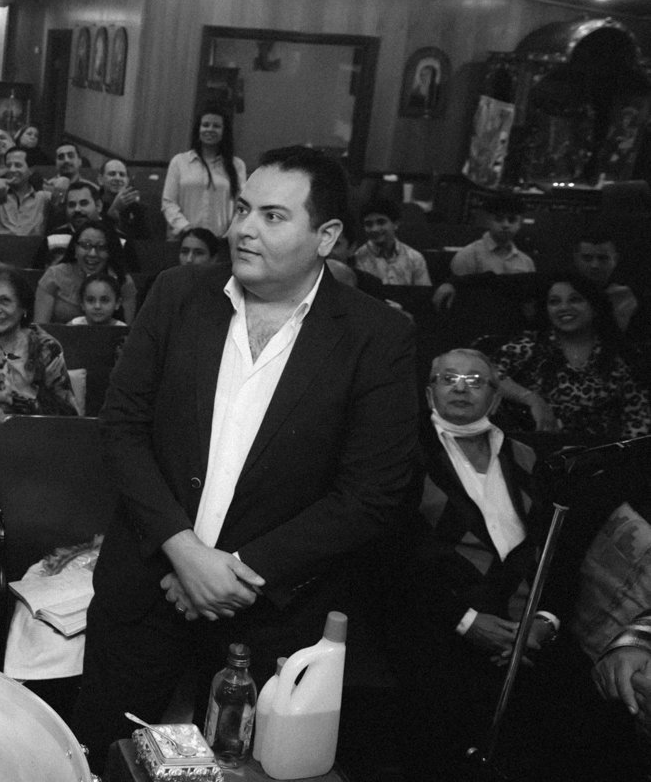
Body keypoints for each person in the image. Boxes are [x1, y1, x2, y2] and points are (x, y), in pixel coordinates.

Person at [70, 145, 418, 772]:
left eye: (274, 216)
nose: (244, 229)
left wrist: (236, 572)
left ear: (327, 237)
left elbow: (371, 495)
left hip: (267, 621)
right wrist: (184, 551)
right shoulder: (177, 295)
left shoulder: (377, 338)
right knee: (104, 759)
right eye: (243, 209)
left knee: (241, 768)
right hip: (144, 591)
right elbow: (122, 428)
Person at [394, 347, 625, 780]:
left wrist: (545, 621)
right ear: (429, 395)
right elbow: (396, 557)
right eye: (449, 378)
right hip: (441, 625)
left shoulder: (531, 459)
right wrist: (465, 621)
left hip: (529, 633)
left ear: (496, 401)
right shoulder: (406, 456)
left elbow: (561, 550)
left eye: (476, 381)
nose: (461, 388)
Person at [488, 274, 651, 441]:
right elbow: (486, 373)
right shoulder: (532, 344)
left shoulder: (619, 354)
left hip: (598, 455)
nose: (564, 307)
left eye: (575, 300)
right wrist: (531, 398)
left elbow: (638, 418)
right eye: (554, 302)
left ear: (594, 307)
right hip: (538, 451)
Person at [0, 267, 76, 428]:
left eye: (5, 301)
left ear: (23, 308)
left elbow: (68, 414)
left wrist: (26, 398)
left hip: (32, 439)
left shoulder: (45, 347)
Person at [161, 108, 245, 239]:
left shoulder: (237, 165)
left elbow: (241, 206)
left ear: (224, 131)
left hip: (222, 240)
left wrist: (229, 234)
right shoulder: (179, 162)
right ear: (198, 129)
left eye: (216, 126)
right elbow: (168, 202)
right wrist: (187, 229)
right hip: (184, 238)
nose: (210, 129)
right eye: (205, 125)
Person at [35, 223, 118, 324]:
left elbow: (129, 333)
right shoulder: (54, 275)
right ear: (74, 248)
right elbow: (40, 329)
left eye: (101, 247)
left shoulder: (121, 280)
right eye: (85, 246)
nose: (92, 253)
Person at [0, 147, 51, 237]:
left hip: (32, 248)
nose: (12, 170)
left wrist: (64, 180)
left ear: (31, 169)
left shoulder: (43, 198)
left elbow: (62, 198)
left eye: (18, 165)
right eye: (8, 165)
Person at [352, 195, 431, 286]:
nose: (375, 229)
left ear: (396, 224)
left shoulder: (415, 258)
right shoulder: (358, 258)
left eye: (381, 222)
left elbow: (423, 294)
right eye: (369, 224)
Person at [100, 154, 153, 241]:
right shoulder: (93, 203)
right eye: (112, 174)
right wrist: (112, 211)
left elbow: (146, 244)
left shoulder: (139, 209)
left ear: (128, 181)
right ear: (100, 179)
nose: (117, 178)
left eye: (122, 175)